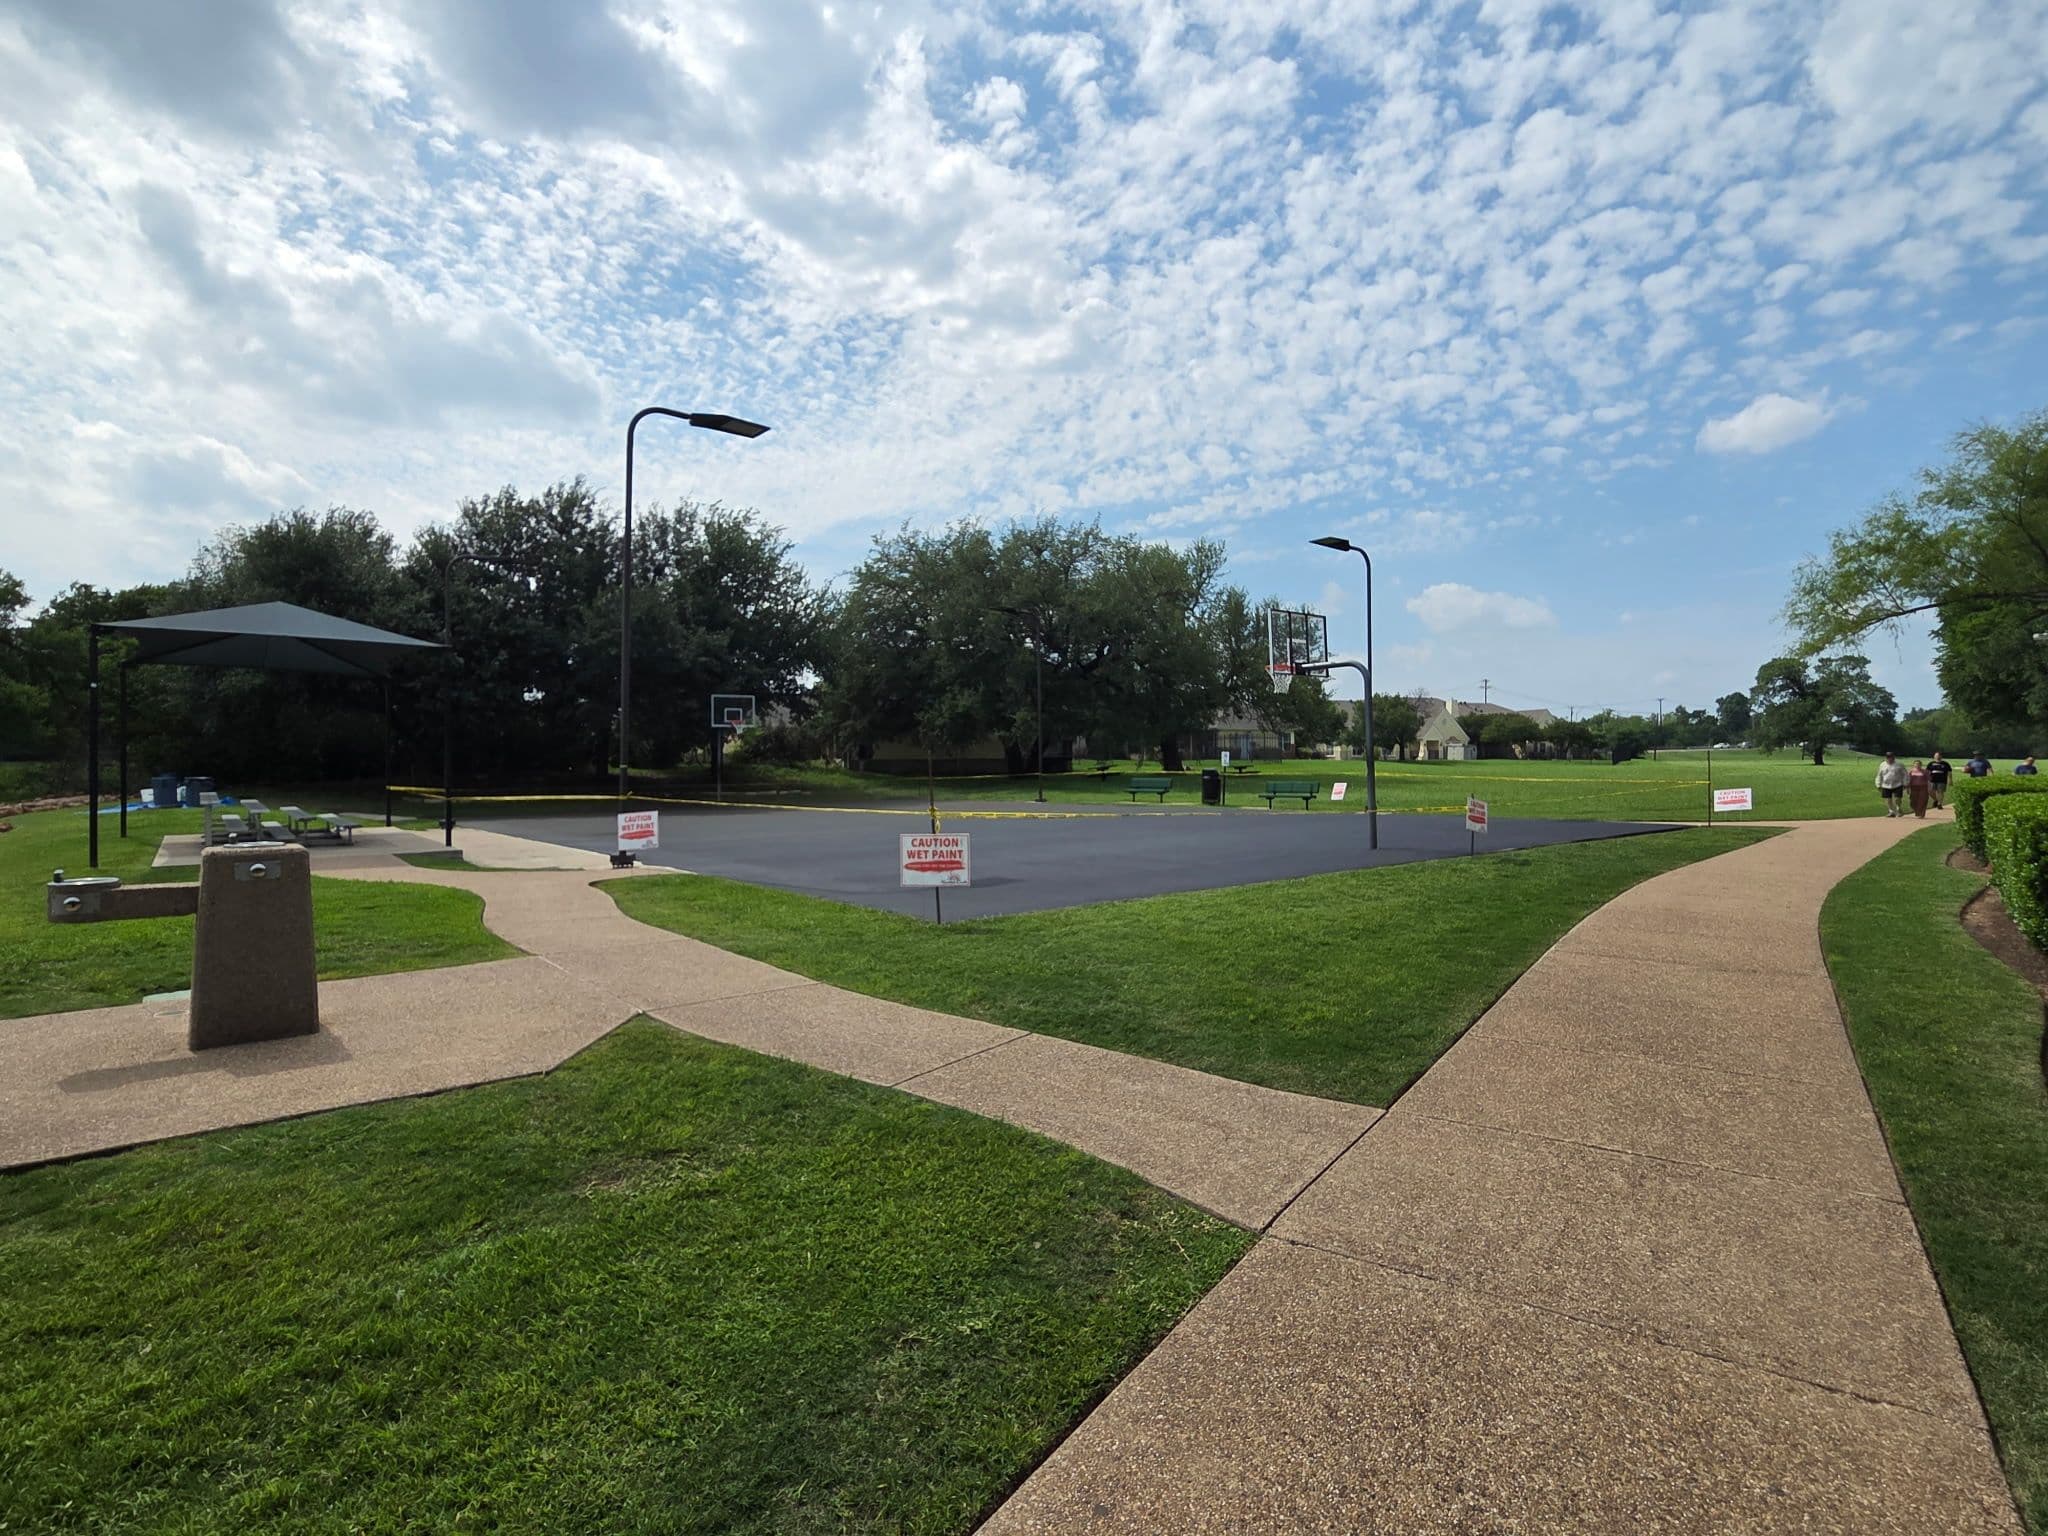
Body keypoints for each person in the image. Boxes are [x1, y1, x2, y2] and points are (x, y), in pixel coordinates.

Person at [1875, 751, 1908, 816]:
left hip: (1897, 784)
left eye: (1891, 757)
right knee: (1888, 799)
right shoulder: (1882, 765)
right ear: (1886, 758)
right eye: (1888, 757)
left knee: (1897, 798)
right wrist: (1878, 784)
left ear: (1894, 757)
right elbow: (1879, 775)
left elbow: (1905, 774)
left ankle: (1898, 808)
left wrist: (1905, 783)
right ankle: (1891, 811)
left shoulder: (1899, 764)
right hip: (1886, 785)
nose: (1890, 759)